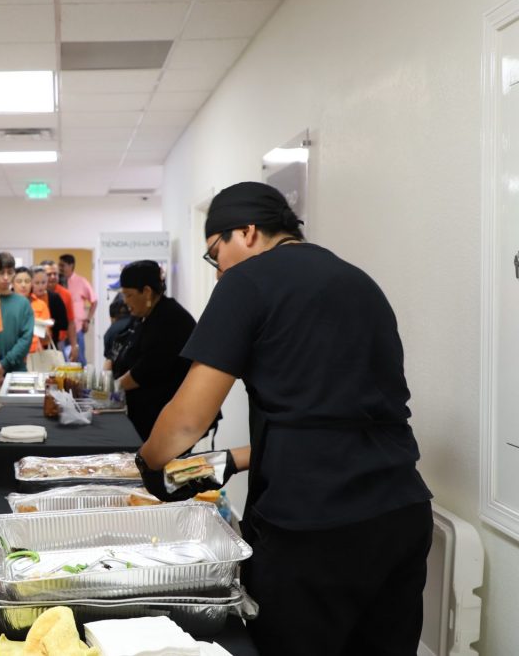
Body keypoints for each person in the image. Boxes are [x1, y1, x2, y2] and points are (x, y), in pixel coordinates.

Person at [136, 182, 433, 656]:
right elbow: (333, 416)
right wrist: (235, 458)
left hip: (312, 524)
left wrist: (147, 463)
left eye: (215, 253)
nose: (218, 270)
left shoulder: (246, 282)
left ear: (246, 232)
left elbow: (188, 420)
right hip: (401, 512)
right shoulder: (359, 281)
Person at [110, 260, 201, 443]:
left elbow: (145, 371)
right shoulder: (144, 315)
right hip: (146, 411)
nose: (125, 302)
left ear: (147, 291)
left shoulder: (170, 319)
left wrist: (110, 389)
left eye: (129, 295)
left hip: (168, 417)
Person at [0, 251, 34, 374]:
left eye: (10, 273)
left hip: (17, 370)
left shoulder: (23, 303)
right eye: (1, 272)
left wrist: (4, 364)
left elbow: (26, 339)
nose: (6, 278)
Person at [58, 254, 97, 365]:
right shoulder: (57, 283)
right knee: (61, 362)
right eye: (59, 265)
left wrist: (88, 320)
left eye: (62, 265)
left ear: (71, 266)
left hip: (77, 329)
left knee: (79, 361)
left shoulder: (81, 281)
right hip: (60, 330)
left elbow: (94, 301)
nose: (60, 268)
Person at [40, 259, 79, 362]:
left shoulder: (65, 294)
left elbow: (70, 322)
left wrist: (74, 345)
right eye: (49, 274)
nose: (53, 277)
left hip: (58, 342)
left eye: (55, 274)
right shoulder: (34, 294)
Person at [13, 266, 52, 354]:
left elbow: (46, 340)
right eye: (19, 281)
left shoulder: (41, 305)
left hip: (34, 354)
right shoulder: (5, 303)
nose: (23, 285)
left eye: (27, 281)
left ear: (31, 284)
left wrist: (42, 331)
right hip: (11, 352)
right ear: (12, 283)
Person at [102, 291, 135, 371]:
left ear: (112, 317)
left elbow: (109, 363)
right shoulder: (140, 323)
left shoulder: (110, 333)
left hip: (120, 375)